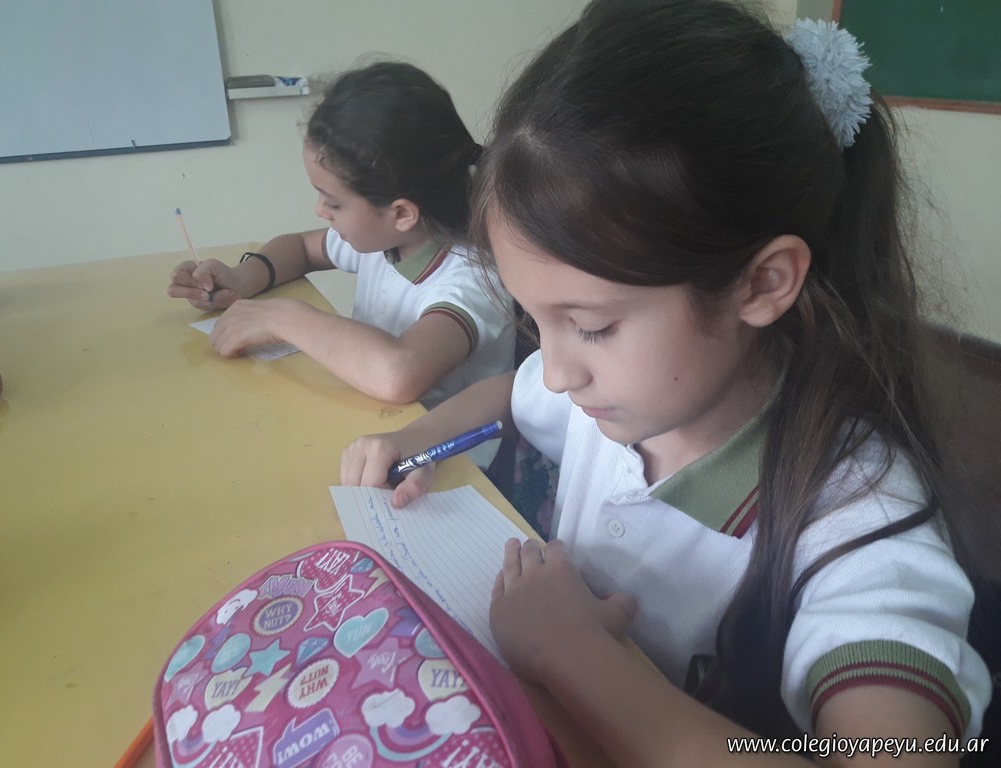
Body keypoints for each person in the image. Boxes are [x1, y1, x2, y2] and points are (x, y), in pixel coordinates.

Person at [341, 2, 996, 765]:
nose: (557, 370)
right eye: (534, 319)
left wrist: (572, 653)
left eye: (591, 325)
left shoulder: (857, 515)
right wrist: (416, 438)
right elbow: (513, 396)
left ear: (762, 283)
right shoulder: (615, 394)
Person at [167, 63, 515, 430]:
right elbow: (300, 249)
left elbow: (400, 372)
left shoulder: (472, 279)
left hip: (445, 456)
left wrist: (284, 318)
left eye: (333, 203)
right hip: (371, 425)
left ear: (401, 213)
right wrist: (240, 279)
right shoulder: (389, 240)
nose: (319, 211)